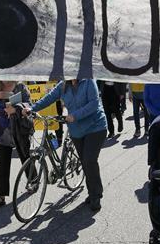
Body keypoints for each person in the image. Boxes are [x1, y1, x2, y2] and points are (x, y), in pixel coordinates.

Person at [26, 79, 108, 211]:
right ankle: (92, 191)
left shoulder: (88, 81)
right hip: (76, 130)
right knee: (84, 161)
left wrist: (75, 115)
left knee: (89, 160)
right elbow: (48, 98)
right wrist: (32, 108)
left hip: (95, 127)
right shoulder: (62, 85)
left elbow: (94, 104)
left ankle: (96, 195)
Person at [0, 81, 31, 208]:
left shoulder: (20, 86)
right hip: (3, 131)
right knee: (3, 164)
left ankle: (33, 181)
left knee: (25, 157)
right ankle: (1, 196)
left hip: (19, 129)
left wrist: (16, 109)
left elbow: (29, 106)